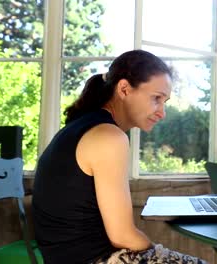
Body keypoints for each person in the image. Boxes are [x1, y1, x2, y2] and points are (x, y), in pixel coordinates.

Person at [32, 50, 207, 264]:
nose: (162, 112)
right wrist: (156, 252)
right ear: (124, 89)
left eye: (165, 102)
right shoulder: (108, 136)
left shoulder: (84, 127)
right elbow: (122, 236)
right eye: (156, 98)